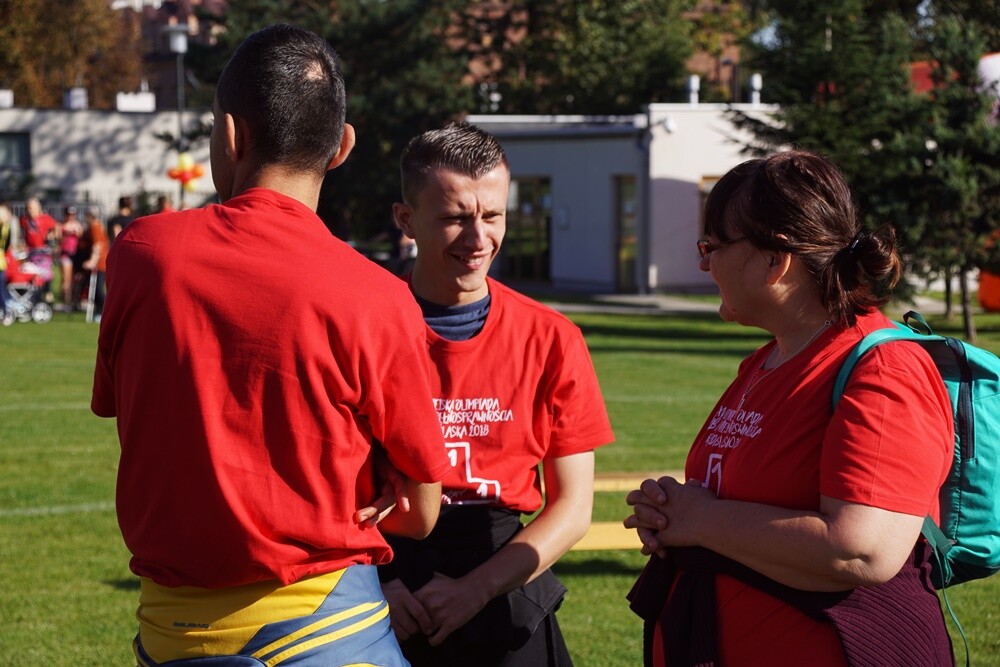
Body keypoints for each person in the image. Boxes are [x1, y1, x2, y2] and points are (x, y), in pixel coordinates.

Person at [91, 24, 450, 666]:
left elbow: (133, 411)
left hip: (171, 633)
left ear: (230, 134)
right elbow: (421, 514)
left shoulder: (142, 254)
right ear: (341, 148)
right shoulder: (378, 295)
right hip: (331, 627)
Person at [624, 151, 955, 666]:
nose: (704, 264)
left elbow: (862, 549)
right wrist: (672, 512)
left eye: (712, 246)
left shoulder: (884, 369)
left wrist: (701, 519)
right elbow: (742, 499)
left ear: (774, 260)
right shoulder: (767, 360)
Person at [378, 121, 615, 666]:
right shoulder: (360, 326)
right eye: (455, 218)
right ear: (406, 220)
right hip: (387, 579)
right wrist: (376, 583)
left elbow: (573, 506)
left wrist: (476, 589)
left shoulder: (551, 338)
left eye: (492, 216)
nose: (478, 238)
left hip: (503, 577)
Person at [78, 205, 108, 321]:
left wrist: (92, 261)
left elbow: (97, 246)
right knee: (91, 288)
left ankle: (102, 311)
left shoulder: (95, 227)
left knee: (97, 289)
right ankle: (99, 310)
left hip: (99, 264)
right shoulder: (91, 227)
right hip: (97, 262)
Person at [58, 206, 83, 311]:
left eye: (73, 215)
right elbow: (59, 239)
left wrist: (77, 232)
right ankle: (66, 301)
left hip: (75, 254)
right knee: (66, 279)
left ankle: (73, 300)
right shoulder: (62, 225)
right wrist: (66, 234)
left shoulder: (78, 225)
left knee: (74, 279)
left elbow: (81, 238)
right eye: (69, 215)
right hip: (66, 254)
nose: (71, 217)